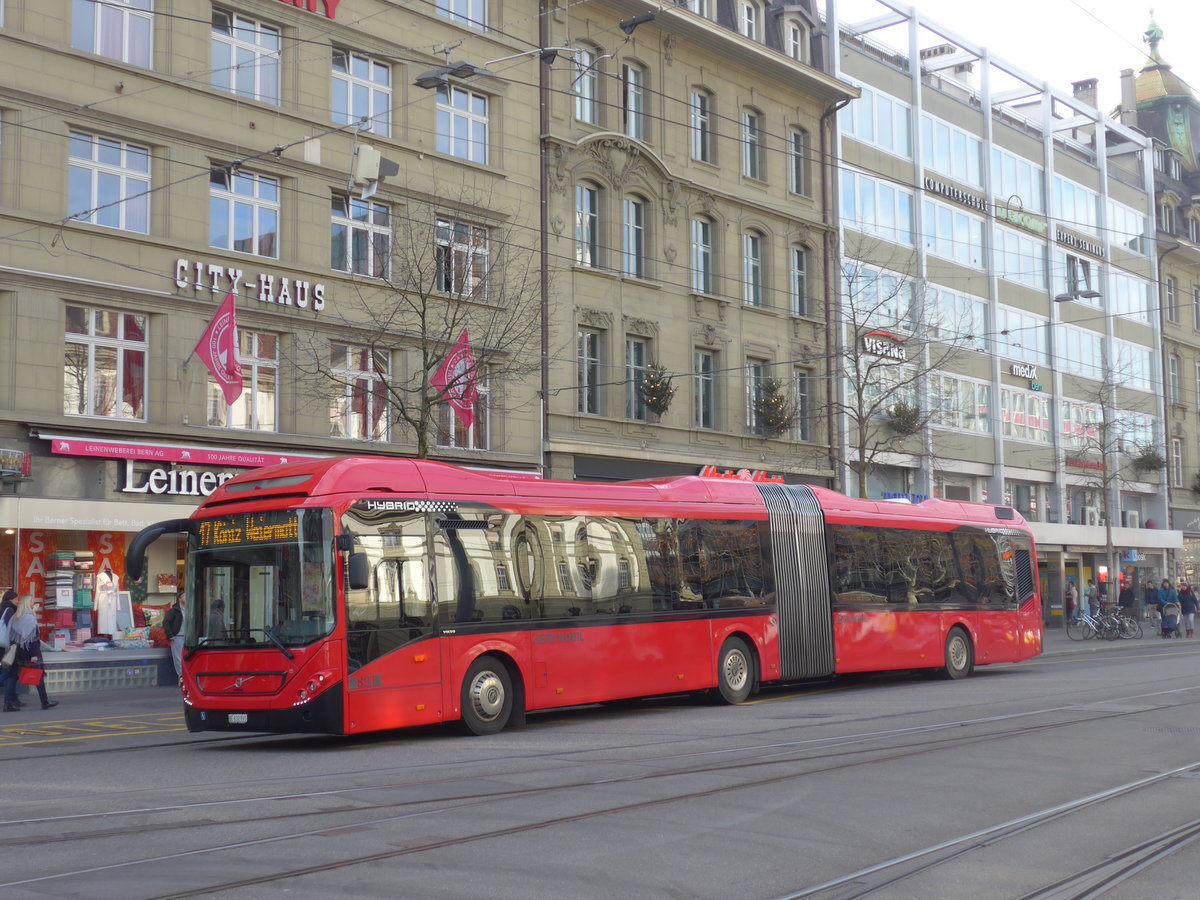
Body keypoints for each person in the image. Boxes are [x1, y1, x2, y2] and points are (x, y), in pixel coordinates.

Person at [4, 594, 58, 712]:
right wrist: (34, 655)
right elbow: (32, 638)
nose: (33, 603)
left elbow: (12, 637)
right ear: (28, 604)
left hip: (18, 653)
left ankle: (8, 703)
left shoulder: (15, 617)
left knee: (14, 677)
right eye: (32, 601)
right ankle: (45, 702)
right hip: (30, 653)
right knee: (38, 677)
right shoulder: (29, 618)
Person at [0, 590, 19, 708]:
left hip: (3, 644)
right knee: (11, 672)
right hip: (7, 644)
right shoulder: (10, 610)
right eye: (17, 599)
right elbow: (10, 627)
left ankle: (11, 699)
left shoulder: (3, 608)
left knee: (11, 672)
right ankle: (10, 700)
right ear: (11, 599)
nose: (18, 601)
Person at [163, 589, 186, 677]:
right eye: (185, 596)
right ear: (180, 599)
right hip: (178, 637)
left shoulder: (189, 610)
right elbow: (166, 621)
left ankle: (186, 677)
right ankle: (181, 677)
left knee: (186, 658)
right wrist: (170, 635)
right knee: (179, 658)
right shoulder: (174, 610)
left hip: (187, 637)